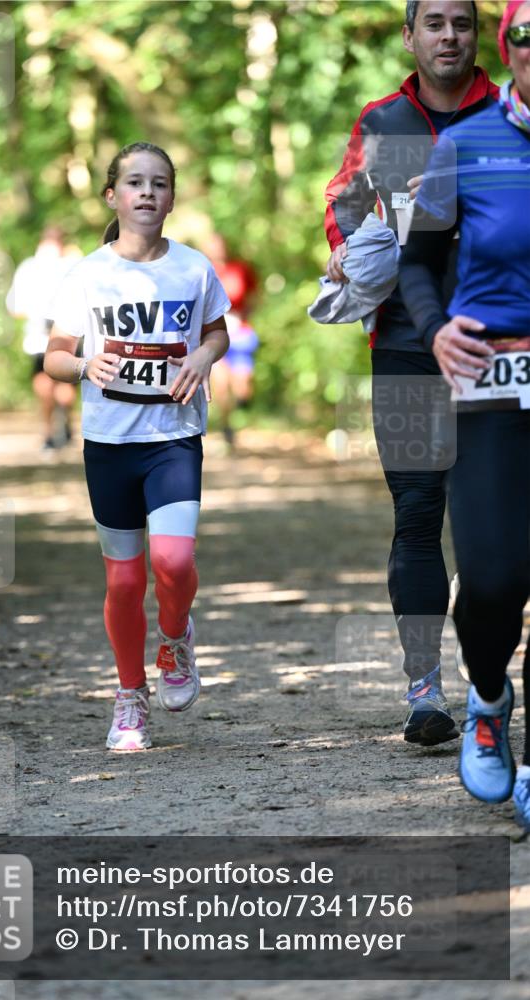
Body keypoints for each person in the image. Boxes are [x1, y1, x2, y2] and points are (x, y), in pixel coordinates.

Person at [324, 0, 498, 746]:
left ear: (478, 34)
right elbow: (341, 205)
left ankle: (489, 681)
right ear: (410, 36)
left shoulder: (509, 115)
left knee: (494, 533)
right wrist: (345, 243)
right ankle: (424, 691)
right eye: (433, 23)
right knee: (419, 515)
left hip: (501, 348)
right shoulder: (382, 122)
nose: (448, 36)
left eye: (460, 22)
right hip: (401, 346)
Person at [44, 142, 230, 751]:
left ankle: (174, 639)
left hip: (173, 438)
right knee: (124, 582)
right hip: (108, 443)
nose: (147, 192)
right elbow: (52, 357)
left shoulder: (194, 268)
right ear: (112, 196)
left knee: (173, 564)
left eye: (159, 184)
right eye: (135, 183)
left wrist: (203, 357)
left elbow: (217, 333)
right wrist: (83, 365)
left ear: (172, 198)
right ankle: (130, 697)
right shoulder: (88, 273)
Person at [400, 0, 530, 831]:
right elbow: (416, 264)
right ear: (508, 49)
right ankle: (486, 698)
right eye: (527, 34)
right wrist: (436, 326)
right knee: (489, 581)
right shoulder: (466, 143)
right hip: (490, 378)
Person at [6, 226, 77, 450]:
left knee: (61, 385)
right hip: (41, 337)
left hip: (66, 336)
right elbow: (14, 305)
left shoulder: (70, 265)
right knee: (47, 384)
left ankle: (57, 427)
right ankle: (52, 429)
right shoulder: (33, 268)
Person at [204, 233, 259, 447]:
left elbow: (255, 295)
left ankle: (243, 405)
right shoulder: (204, 271)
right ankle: (227, 426)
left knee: (242, 386)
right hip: (212, 333)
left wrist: (246, 314)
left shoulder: (240, 269)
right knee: (221, 384)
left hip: (240, 333)